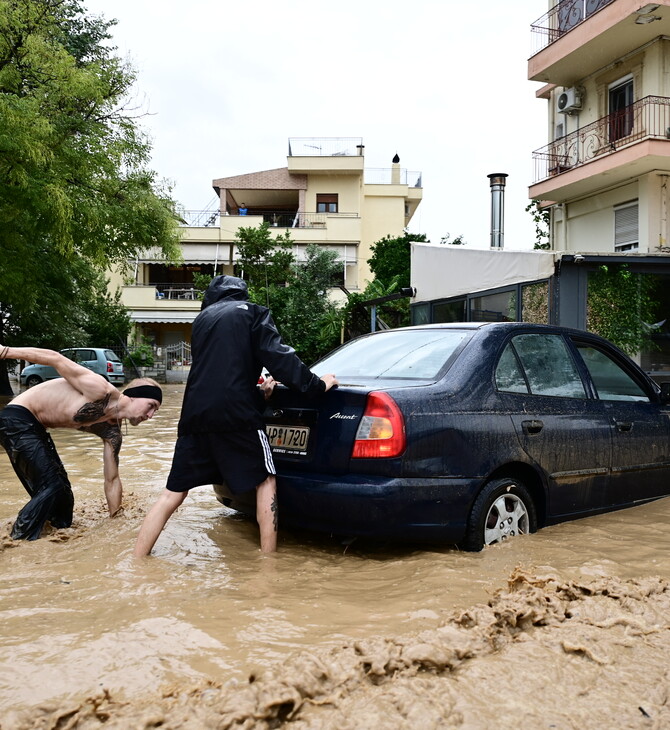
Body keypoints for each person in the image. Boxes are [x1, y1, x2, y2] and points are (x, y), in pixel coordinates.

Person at [133, 275, 337, 556]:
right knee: (266, 479)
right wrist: (318, 385)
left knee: (173, 493)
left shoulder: (202, 321)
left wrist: (257, 393)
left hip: (193, 416)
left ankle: (137, 559)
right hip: (237, 415)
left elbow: (218, 373)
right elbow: (281, 360)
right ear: (241, 294)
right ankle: (268, 562)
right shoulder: (252, 312)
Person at [0, 344, 162, 540]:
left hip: (36, 428)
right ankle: (14, 543)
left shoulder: (112, 432)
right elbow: (54, 357)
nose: (151, 415)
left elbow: (112, 480)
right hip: (18, 417)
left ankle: (48, 542)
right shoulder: (100, 390)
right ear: (134, 396)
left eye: (156, 411)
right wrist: (5, 351)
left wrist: (114, 521)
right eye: (151, 405)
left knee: (64, 500)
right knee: (52, 487)